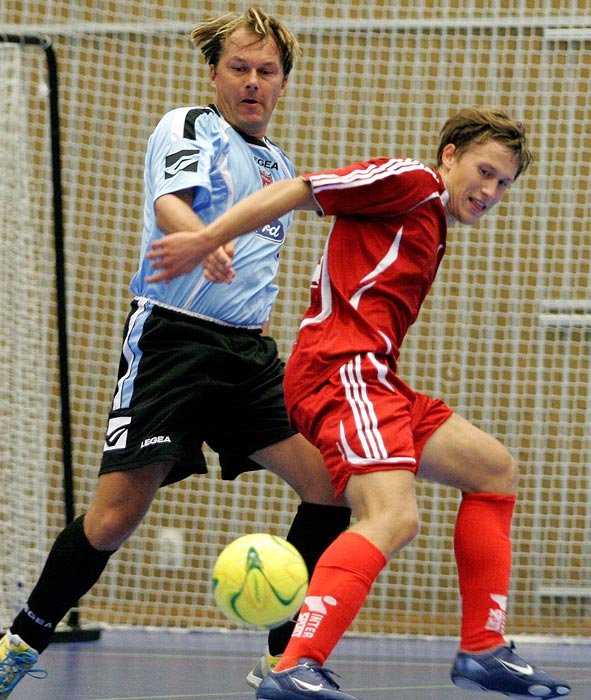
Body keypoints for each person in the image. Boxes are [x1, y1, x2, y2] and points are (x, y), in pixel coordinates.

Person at [146, 107, 572, 700]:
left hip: (377, 379)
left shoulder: (432, 214)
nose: (491, 190)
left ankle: (483, 646)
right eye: (484, 171)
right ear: (449, 154)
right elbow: (299, 190)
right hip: (339, 373)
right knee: (392, 517)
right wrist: (207, 238)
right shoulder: (410, 181)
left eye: (504, 183)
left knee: (492, 468)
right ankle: (296, 663)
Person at [0, 7, 352, 697]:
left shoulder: (278, 163)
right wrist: (203, 238)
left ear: (283, 83)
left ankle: (286, 658)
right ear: (214, 73)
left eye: (266, 71)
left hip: (247, 358)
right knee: (112, 520)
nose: (252, 82)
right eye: (238, 68)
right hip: (174, 341)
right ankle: (20, 641)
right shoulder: (192, 126)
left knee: (331, 486)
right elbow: (171, 203)